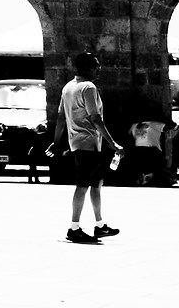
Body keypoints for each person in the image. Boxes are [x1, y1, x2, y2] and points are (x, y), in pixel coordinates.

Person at [60, 51, 122, 244]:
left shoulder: (68, 87)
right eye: (96, 65)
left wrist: (56, 141)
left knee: (96, 183)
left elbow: (61, 117)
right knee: (83, 185)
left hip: (80, 143)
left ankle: (100, 224)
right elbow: (95, 117)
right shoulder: (88, 87)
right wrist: (112, 142)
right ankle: (74, 228)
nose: (99, 68)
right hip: (87, 142)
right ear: (86, 68)